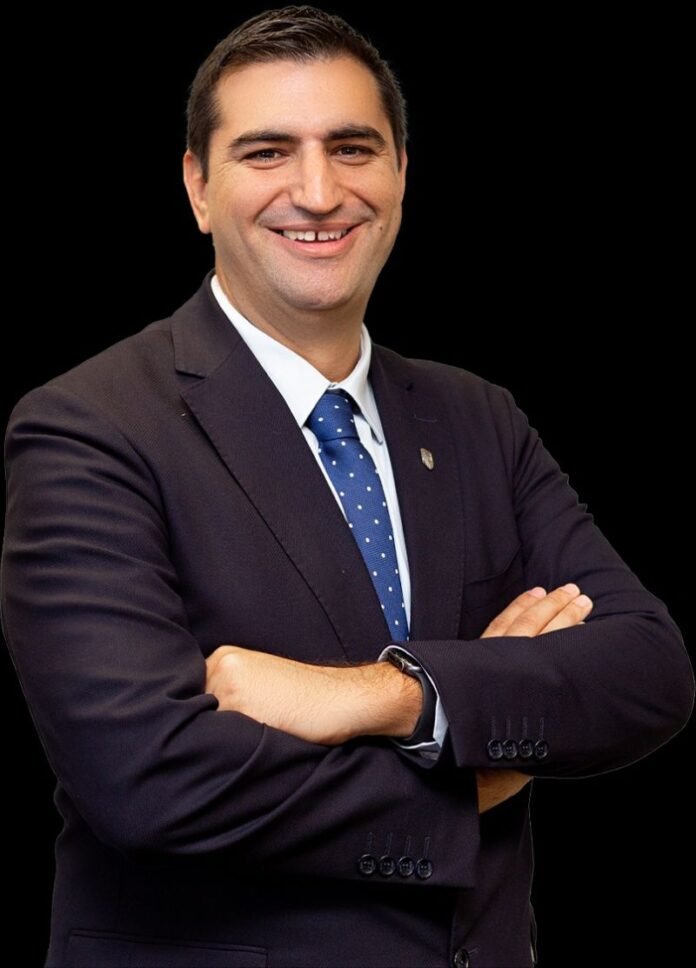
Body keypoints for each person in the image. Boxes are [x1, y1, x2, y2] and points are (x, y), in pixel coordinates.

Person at [1, 6, 693, 967]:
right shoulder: (90, 427)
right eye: (267, 152)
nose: (319, 192)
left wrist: (390, 696)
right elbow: (146, 780)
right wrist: (475, 774)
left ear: (401, 172)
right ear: (198, 186)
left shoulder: (477, 419)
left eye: (353, 148)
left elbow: (649, 672)